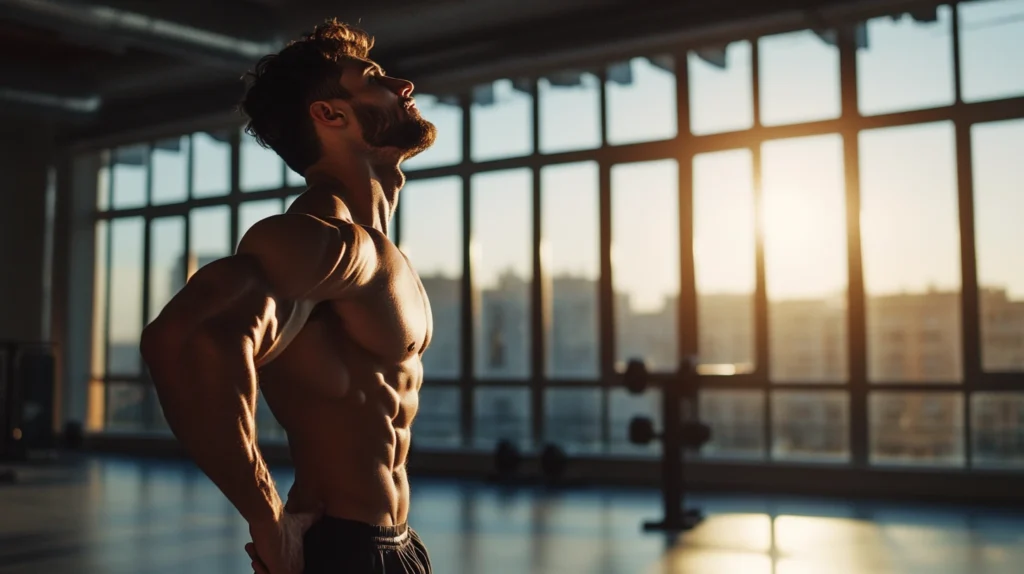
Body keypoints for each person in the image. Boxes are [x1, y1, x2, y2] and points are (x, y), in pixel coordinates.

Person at [140, 19, 436, 574]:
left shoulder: (374, 250)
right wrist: (266, 517)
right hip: (343, 551)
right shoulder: (318, 237)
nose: (403, 86)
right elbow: (183, 338)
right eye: (373, 78)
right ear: (330, 114)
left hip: (396, 543)